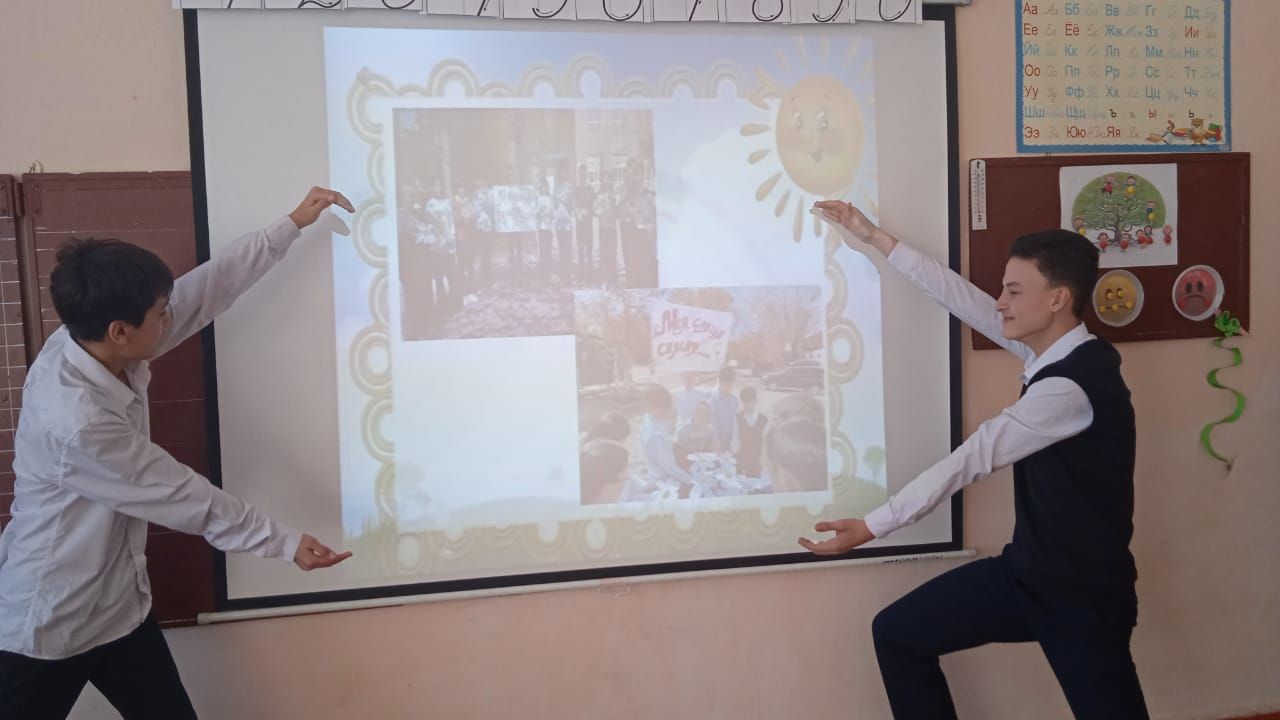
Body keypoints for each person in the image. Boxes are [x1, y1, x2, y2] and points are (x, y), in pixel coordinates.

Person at [0, 187, 356, 720]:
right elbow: (181, 496)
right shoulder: (77, 421)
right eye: (160, 313)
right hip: (51, 619)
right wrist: (283, 542)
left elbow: (205, 291)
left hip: (118, 610)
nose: (170, 318)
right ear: (121, 332)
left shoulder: (94, 340)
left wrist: (289, 225)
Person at [800, 200, 1148, 719]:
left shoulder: (1071, 387)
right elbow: (961, 298)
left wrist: (873, 526)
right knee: (897, 634)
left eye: (1014, 291)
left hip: (1083, 597)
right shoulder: (1051, 352)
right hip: (1027, 578)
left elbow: (972, 458)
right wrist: (874, 237)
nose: (1001, 303)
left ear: (1058, 298)